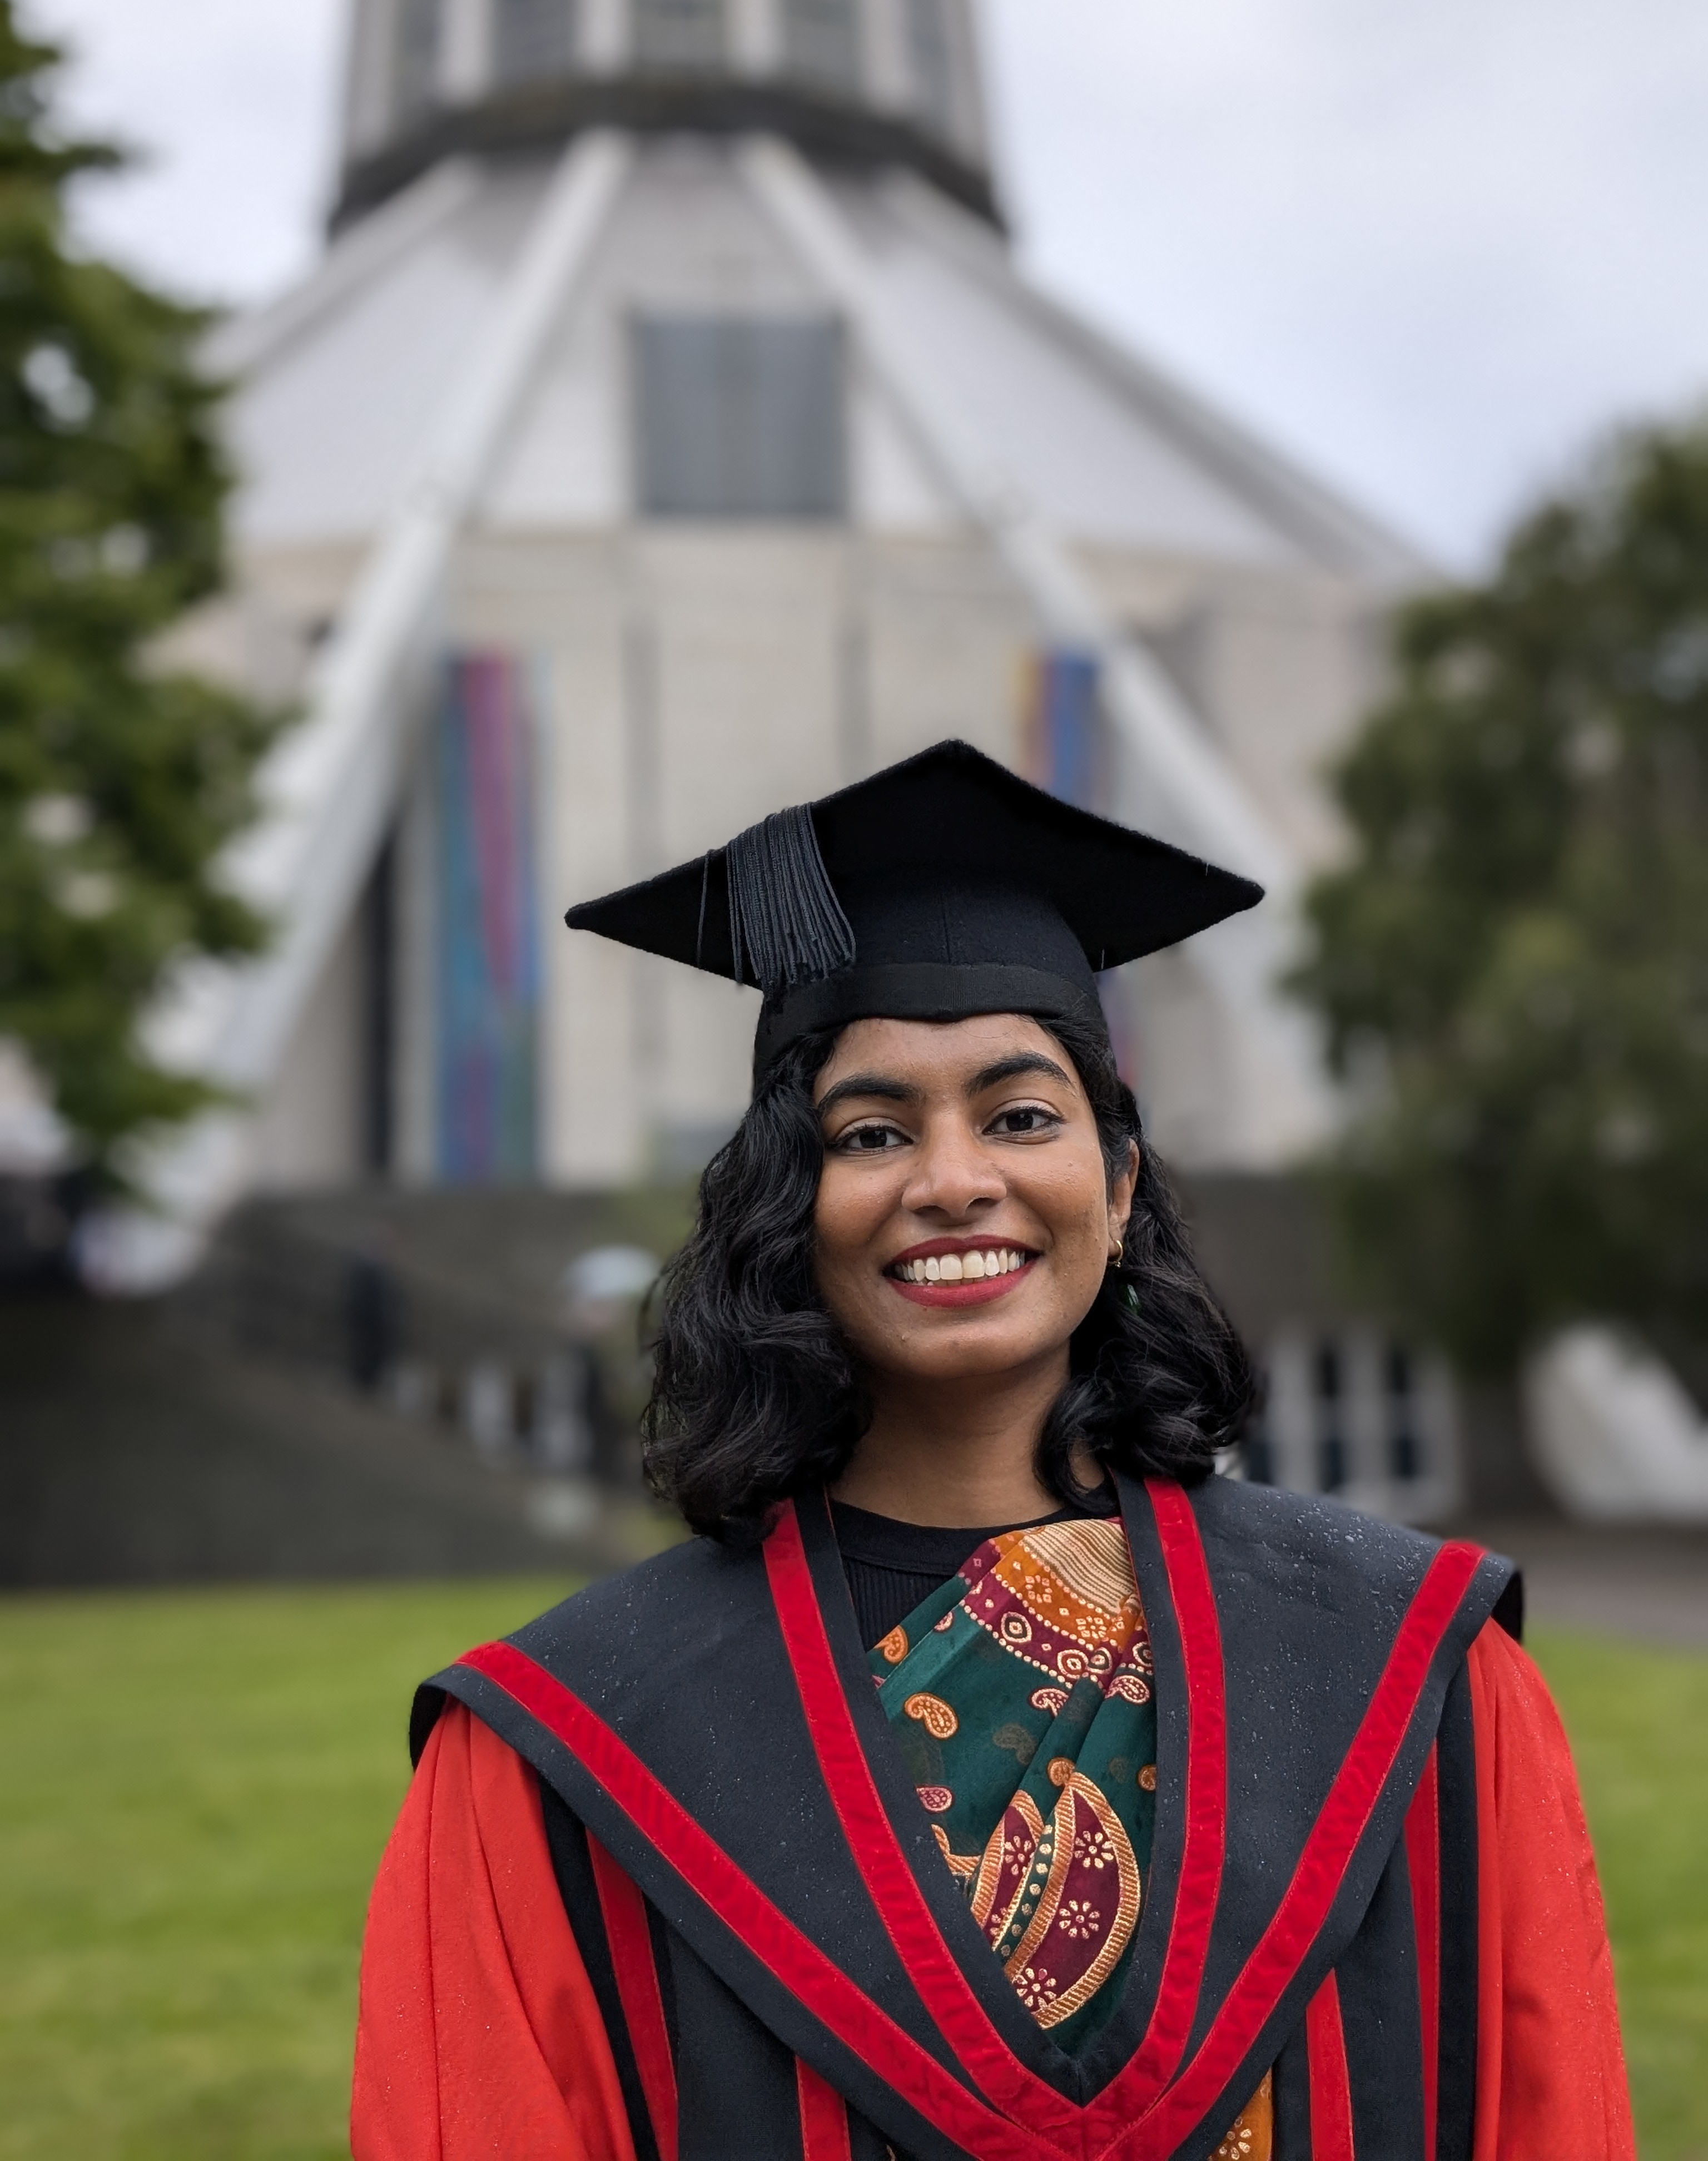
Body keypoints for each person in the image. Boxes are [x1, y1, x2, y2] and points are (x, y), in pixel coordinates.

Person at [351, 740, 1632, 2161]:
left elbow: (1552, 2110)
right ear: (790, 1203)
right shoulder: (554, 1761)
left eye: (1023, 1115)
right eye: (871, 1130)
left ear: (1120, 1178)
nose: (955, 1181)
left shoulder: (1423, 1677)